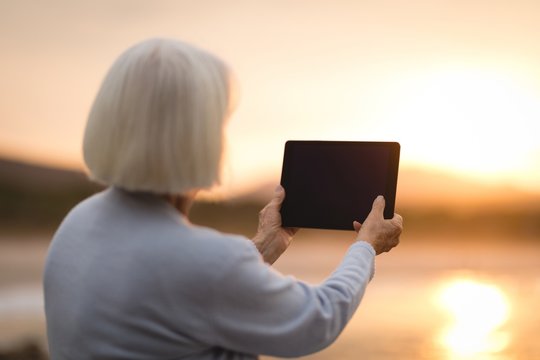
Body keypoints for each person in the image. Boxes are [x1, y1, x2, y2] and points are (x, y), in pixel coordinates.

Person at [43, 38, 402, 360]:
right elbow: (317, 320)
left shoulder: (79, 222)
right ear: (197, 138)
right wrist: (366, 246)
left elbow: (184, 292)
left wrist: (264, 244)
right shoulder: (204, 261)